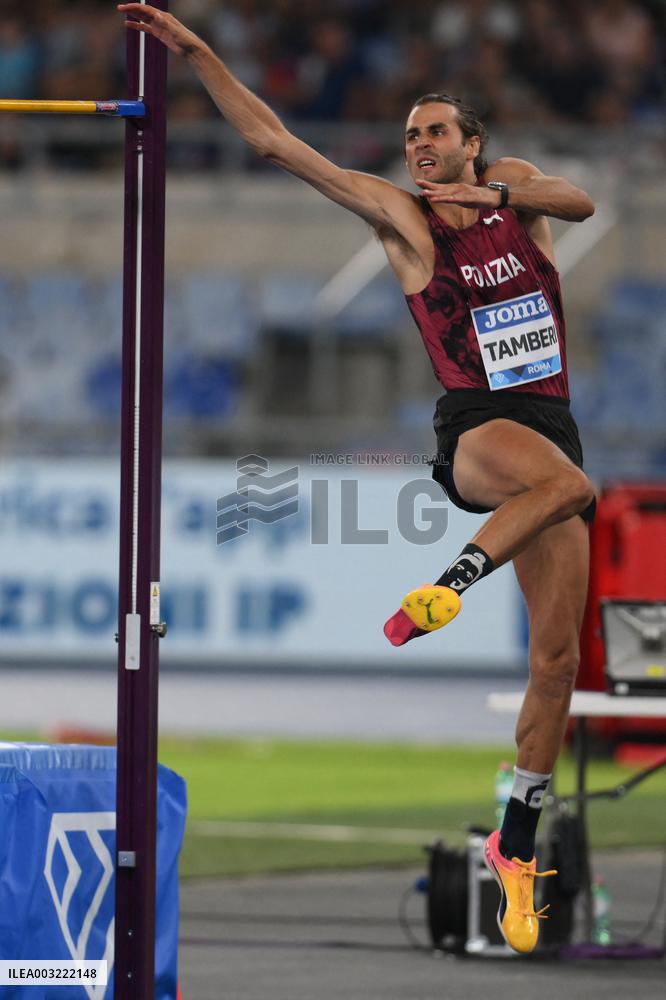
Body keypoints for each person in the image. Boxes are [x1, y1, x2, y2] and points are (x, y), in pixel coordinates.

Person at [118, 3, 596, 955]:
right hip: (479, 431)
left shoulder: (516, 190)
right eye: (410, 135)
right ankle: (446, 590)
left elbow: (581, 204)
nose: (417, 146)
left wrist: (503, 202)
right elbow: (278, 145)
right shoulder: (406, 219)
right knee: (573, 491)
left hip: (551, 431)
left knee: (558, 664)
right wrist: (202, 54)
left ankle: (515, 845)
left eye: (434, 133)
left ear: (473, 143)